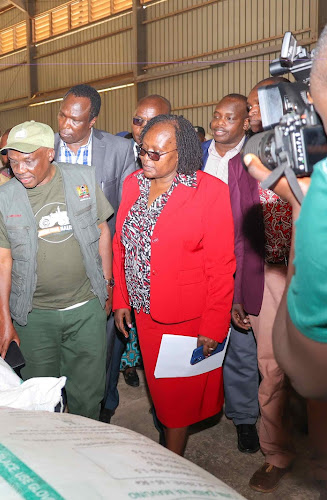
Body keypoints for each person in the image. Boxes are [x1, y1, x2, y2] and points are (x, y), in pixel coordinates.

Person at [244, 4, 327, 497]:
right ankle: (281, 451)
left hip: (299, 283)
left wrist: (300, 204)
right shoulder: (257, 157)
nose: (255, 118)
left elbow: (316, 370)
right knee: (270, 375)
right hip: (273, 274)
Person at [113, 114, 235, 456]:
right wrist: (121, 296)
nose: (145, 159)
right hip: (143, 309)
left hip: (185, 314)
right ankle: (168, 442)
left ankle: (172, 460)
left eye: (157, 153)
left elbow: (222, 265)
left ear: (181, 154)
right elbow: (121, 245)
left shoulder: (210, 192)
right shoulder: (132, 183)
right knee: (158, 387)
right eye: (143, 150)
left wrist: (214, 324)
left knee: (176, 397)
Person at [0, 121, 114, 420]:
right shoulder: (4, 199)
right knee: (39, 399)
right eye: (13, 161)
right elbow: (2, 261)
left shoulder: (82, 180)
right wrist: (5, 319)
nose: (20, 169)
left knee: (88, 394)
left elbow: (101, 231)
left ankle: (85, 449)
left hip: (85, 310)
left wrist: (107, 284)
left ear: (50, 153)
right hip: (35, 317)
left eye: (29, 160)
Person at [55, 83, 137, 423]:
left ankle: (101, 407)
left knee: (101, 346)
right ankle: (59, 405)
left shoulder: (118, 150)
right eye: (62, 115)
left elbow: (127, 212)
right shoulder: (45, 147)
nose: (65, 125)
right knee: (57, 345)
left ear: (93, 120)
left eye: (75, 119)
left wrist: (117, 273)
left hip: (102, 264)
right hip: (55, 266)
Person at [201, 94, 261, 454]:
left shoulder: (253, 158)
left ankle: (243, 418)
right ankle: (199, 408)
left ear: (243, 123)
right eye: (216, 115)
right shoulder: (195, 155)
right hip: (201, 264)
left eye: (228, 118)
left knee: (241, 347)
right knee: (201, 341)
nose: (219, 123)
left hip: (240, 264)